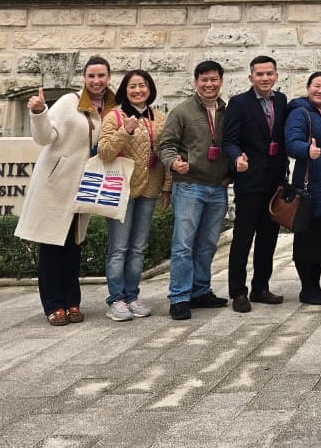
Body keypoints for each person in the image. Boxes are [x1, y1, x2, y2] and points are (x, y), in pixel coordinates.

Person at [15, 56, 112, 326]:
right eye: (91, 76)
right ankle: (54, 305)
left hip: (84, 186)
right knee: (51, 247)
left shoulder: (111, 108)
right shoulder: (69, 102)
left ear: (108, 77)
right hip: (55, 185)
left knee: (72, 248)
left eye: (101, 75)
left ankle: (72, 302)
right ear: (84, 78)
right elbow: (45, 137)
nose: (96, 81)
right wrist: (39, 112)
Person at [158, 60, 230, 321]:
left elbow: (233, 145)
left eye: (214, 79)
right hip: (189, 185)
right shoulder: (182, 111)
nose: (209, 84)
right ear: (196, 82)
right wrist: (173, 163)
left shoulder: (227, 111)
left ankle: (200, 291)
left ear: (221, 81)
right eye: (204, 80)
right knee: (183, 245)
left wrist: (231, 173)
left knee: (208, 244)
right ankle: (179, 297)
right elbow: (166, 145)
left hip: (218, 188)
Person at [97, 68, 167, 320]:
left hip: (149, 189)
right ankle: (116, 299)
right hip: (121, 190)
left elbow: (167, 152)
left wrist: (167, 186)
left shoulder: (160, 118)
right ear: (125, 91)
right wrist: (125, 131)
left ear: (150, 89)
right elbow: (104, 152)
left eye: (143, 85)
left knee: (138, 248)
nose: (138, 90)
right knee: (119, 248)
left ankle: (131, 296)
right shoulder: (114, 116)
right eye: (132, 86)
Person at [223, 55, 291, 313]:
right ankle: (238, 292)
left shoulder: (281, 100)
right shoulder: (239, 103)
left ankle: (260, 288)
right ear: (251, 77)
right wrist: (236, 157)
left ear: (276, 76)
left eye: (269, 73)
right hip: (250, 180)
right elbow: (229, 140)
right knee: (243, 238)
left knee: (268, 238)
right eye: (259, 74)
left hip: (275, 181)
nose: (265, 78)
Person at [285, 71, 321, 305]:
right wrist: (306, 150)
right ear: (308, 87)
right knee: (306, 238)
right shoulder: (299, 113)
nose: (320, 90)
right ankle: (306, 288)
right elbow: (291, 143)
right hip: (309, 184)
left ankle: (316, 285)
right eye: (316, 86)